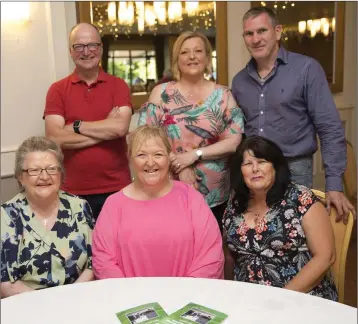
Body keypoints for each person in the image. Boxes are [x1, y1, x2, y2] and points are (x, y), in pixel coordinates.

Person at [231, 6, 355, 223]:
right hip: (254, 172)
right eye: (249, 34)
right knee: (261, 236)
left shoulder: (306, 69)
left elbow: (329, 127)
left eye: (262, 31)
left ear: (277, 31)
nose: (256, 39)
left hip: (295, 169)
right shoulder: (239, 82)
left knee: (295, 237)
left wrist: (334, 184)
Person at [138, 31, 244, 230]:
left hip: (215, 196)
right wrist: (180, 164)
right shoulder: (161, 94)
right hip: (168, 188)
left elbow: (234, 141)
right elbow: (145, 139)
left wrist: (194, 155)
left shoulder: (223, 95)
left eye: (198, 51)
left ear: (207, 57)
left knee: (212, 253)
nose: (192, 56)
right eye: (185, 52)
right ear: (176, 59)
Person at [92, 125, 224, 279]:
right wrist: (128, 296)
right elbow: (104, 261)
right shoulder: (113, 205)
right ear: (130, 158)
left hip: (185, 298)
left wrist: (186, 294)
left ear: (169, 157)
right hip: (130, 299)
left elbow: (210, 255)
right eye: (141, 155)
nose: (150, 162)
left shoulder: (191, 198)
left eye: (158, 154)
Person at [223, 135, 338, 301]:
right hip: (248, 300)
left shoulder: (300, 198)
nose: (255, 168)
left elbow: (325, 257)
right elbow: (228, 256)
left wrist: (281, 298)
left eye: (262, 162)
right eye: (248, 164)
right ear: (240, 172)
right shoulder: (235, 204)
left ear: (276, 167)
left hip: (301, 298)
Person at [44, 23, 133, 220]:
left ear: (100, 48)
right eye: (79, 46)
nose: (86, 52)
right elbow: (55, 138)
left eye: (92, 45)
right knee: (78, 250)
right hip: (72, 191)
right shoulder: (57, 90)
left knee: (118, 249)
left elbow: (119, 127)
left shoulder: (118, 86)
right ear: (70, 51)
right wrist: (104, 132)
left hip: (117, 189)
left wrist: (76, 126)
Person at [0, 136, 94, 298]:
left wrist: (72, 297)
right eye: (34, 170)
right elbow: (7, 283)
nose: (44, 177)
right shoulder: (7, 215)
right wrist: (50, 304)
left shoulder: (79, 206)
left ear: (60, 174)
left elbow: (93, 264)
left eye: (51, 169)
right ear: (21, 177)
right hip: (27, 305)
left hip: (78, 298)